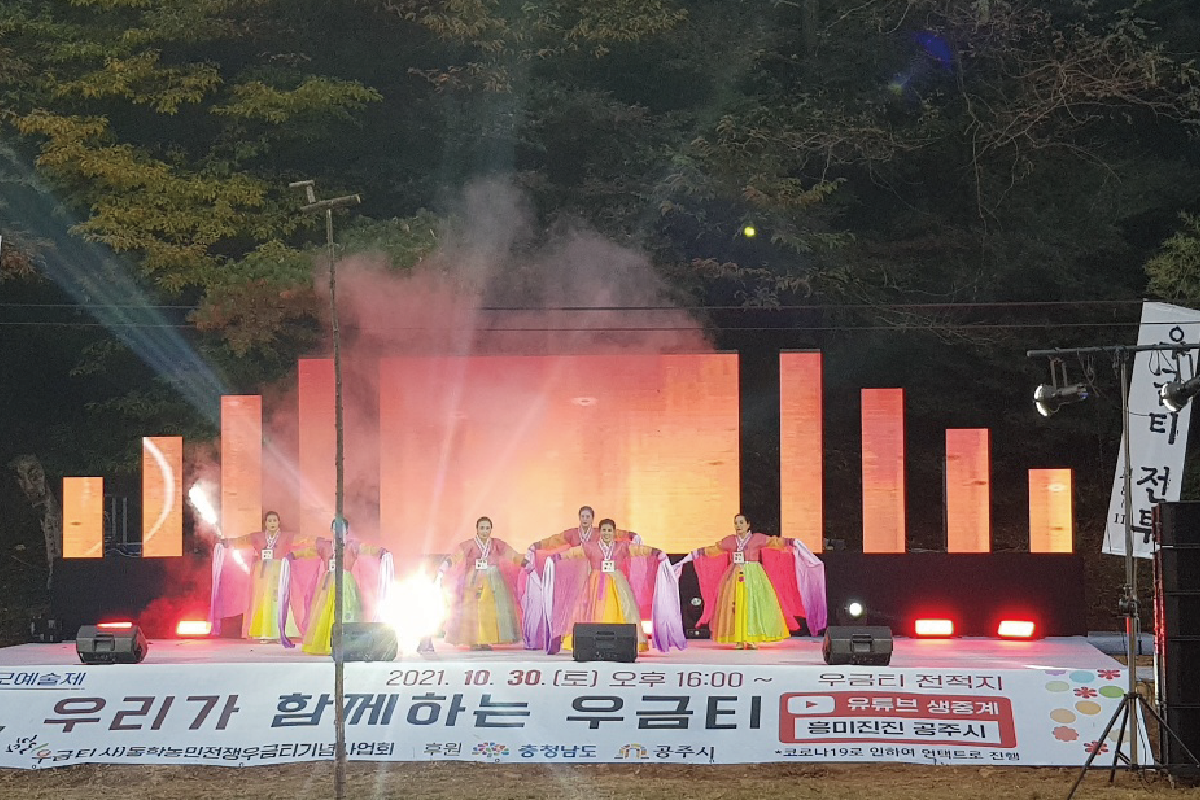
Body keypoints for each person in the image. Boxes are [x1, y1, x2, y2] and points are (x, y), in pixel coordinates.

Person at [679, 513, 827, 650]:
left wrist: (791, 542)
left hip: (754, 575)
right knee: (735, 605)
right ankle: (738, 639)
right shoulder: (730, 540)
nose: (738, 526)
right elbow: (714, 549)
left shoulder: (757, 539)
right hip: (734, 575)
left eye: (741, 523)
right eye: (736, 523)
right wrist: (695, 553)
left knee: (752, 605)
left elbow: (774, 542)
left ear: (748, 524)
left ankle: (751, 638)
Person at [544, 519, 686, 655]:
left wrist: (655, 551)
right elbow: (574, 552)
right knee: (593, 611)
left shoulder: (621, 547)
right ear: (600, 532)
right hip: (595, 584)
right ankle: (593, 643)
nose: (606, 533)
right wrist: (556, 557)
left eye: (609, 530)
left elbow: (638, 550)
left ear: (614, 532)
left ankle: (618, 643)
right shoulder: (590, 547)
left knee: (621, 609)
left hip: (617, 583)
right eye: (604, 530)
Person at [209, 511, 322, 641]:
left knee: (279, 599)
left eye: (274, 521)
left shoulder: (286, 537)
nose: (272, 523)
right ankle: (264, 631)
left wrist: (319, 540)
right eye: (270, 521)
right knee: (262, 600)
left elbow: (304, 539)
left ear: (278, 522)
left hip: (279, 571)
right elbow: (242, 540)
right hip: (261, 573)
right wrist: (226, 542)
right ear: (265, 523)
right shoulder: (257, 537)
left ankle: (281, 631)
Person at [301, 520, 392, 656]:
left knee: (345, 610)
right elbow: (309, 551)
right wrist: (293, 556)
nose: (338, 530)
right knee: (325, 611)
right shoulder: (326, 546)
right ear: (331, 529)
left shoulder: (351, 546)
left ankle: (346, 644)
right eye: (335, 527)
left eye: (342, 528)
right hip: (328, 581)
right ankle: (327, 643)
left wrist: (381, 551)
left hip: (345, 582)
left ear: (347, 530)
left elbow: (367, 549)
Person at [437, 517, 527, 651]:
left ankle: (485, 640)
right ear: (477, 529)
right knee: (472, 610)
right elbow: (457, 556)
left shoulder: (496, 544)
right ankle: (473, 641)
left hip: (494, 579)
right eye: (482, 528)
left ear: (491, 529)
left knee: (490, 611)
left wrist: (523, 562)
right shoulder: (470, 545)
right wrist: (446, 565)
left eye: (487, 528)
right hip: (473, 580)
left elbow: (511, 553)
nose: (485, 531)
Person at [526, 506, 641, 572]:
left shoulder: (599, 532)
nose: (585, 519)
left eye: (588, 517)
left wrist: (630, 535)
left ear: (592, 519)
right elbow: (555, 539)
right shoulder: (572, 533)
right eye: (583, 516)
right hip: (576, 569)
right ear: (579, 518)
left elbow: (616, 533)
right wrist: (538, 545)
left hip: (595, 569)